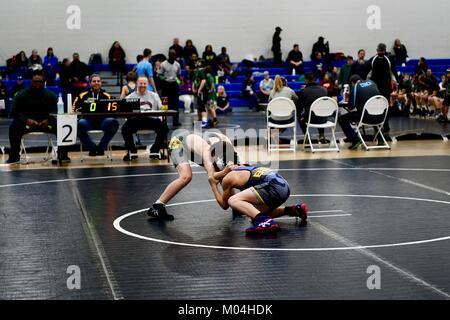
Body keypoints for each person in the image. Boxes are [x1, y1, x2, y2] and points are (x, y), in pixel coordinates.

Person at [148, 131, 239, 220]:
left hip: (194, 144)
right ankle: (158, 205)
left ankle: (235, 205)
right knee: (186, 176)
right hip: (179, 142)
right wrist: (223, 174)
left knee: (226, 174)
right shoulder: (207, 154)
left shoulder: (229, 147)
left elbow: (242, 169)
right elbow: (212, 177)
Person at [209, 163, 308, 234]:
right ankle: (294, 210)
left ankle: (264, 222)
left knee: (233, 200)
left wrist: (213, 186)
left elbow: (224, 205)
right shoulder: (246, 166)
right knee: (255, 213)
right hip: (284, 187)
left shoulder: (228, 177)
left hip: (272, 186)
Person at [6, 71, 57, 164]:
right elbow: (14, 112)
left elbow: (55, 111)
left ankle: (63, 154)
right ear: (31, 82)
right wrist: (26, 120)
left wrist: (48, 119)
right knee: (14, 127)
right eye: (35, 81)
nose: (37, 83)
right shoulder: (21, 94)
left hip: (45, 124)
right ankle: (14, 157)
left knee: (61, 126)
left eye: (40, 81)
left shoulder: (50, 95)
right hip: (27, 124)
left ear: (43, 82)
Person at [122, 76, 169, 161]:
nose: (143, 85)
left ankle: (155, 150)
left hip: (151, 119)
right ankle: (132, 152)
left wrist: (164, 108)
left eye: (145, 83)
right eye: (141, 83)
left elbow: (161, 109)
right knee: (125, 129)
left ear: (148, 84)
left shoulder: (154, 95)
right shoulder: (129, 97)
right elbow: (125, 113)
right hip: (136, 120)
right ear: (136, 84)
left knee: (164, 128)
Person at [72, 74, 119, 156]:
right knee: (78, 124)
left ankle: (101, 147)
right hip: (87, 121)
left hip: (103, 121)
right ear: (90, 83)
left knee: (114, 123)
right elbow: (74, 108)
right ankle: (92, 147)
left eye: (98, 81)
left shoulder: (107, 96)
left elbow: (114, 110)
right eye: (94, 81)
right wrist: (79, 112)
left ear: (101, 83)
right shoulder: (82, 95)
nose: (96, 83)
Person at [337, 75, 381, 150]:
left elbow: (351, 106)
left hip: (366, 117)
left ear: (352, 83)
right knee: (371, 110)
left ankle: (355, 140)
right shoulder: (372, 82)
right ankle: (381, 139)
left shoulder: (355, 86)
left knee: (342, 119)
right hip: (380, 115)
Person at [366, 43, 398, 135]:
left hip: (375, 88)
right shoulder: (387, 59)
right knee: (385, 106)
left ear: (377, 50)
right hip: (384, 88)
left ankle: (377, 126)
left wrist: (366, 85)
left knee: (376, 106)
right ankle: (385, 125)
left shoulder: (373, 60)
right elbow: (393, 74)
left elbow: (367, 75)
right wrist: (397, 83)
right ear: (385, 50)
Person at [297, 72, 328, 143]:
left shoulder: (304, 91)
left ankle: (307, 136)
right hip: (323, 119)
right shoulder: (324, 90)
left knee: (299, 117)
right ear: (315, 79)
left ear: (306, 80)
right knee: (320, 112)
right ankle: (322, 134)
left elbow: (299, 108)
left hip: (310, 119)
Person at [158, 49, 181, 126]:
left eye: (174, 55)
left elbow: (178, 75)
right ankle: (164, 121)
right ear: (169, 55)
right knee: (165, 103)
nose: (173, 57)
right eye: (172, 55)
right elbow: (160, 75)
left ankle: (176, 121)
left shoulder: (177, 64)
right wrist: (164, 79)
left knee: (175, 103)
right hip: (166, 85)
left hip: (174, 85)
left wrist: (179, 82)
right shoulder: (163, 64)